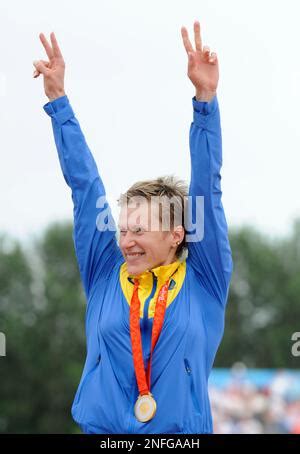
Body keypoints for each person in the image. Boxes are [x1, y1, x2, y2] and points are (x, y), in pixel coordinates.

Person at [33, 21, 233, 434]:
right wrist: (58, 101)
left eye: (139, 231)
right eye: (123, 230)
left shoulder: (205, 280)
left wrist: (205, 101)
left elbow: (207, 189)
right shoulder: (105, 272)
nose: (126, 241)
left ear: (177, 233)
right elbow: (84, 186)